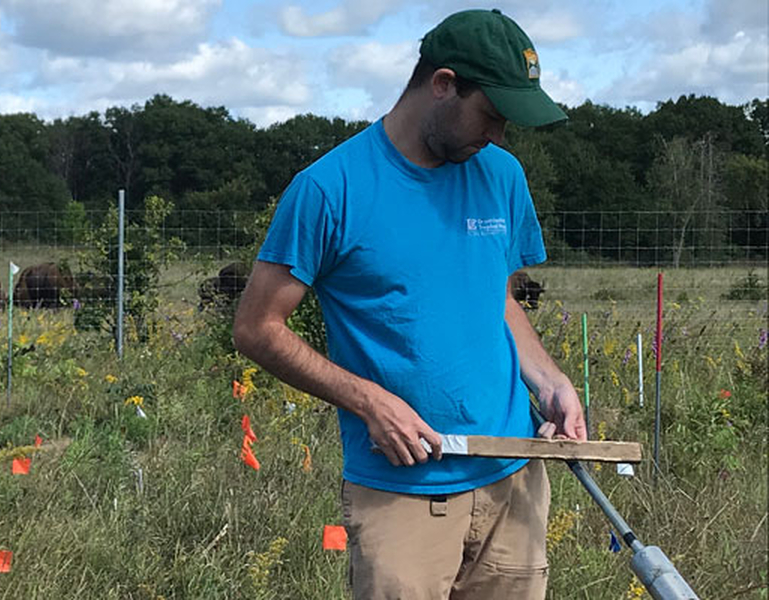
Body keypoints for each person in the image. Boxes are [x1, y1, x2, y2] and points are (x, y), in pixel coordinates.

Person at [232, 9, 586, 599]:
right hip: (402, 491)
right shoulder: (329, 188)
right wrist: (369, 401)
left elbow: (494, 297)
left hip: (512, 476)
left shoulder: (502, 175)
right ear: (442, 84)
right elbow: (256, 327)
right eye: (491, 116)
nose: (497, 137)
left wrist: (550, 381)